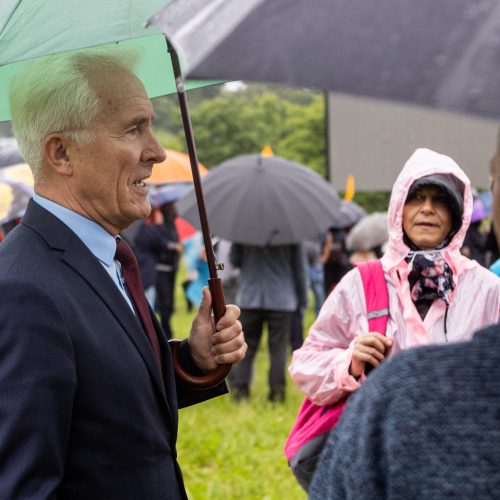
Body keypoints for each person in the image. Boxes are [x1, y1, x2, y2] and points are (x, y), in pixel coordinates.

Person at [0, 48, 246, 499]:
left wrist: (192, 361)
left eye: (150, 125)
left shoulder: (103, 254)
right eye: (134, 129)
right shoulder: (22, 293)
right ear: (61, 153)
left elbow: (101, 403)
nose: (155, 151)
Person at [289, 148, 499, 489]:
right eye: (417, 198)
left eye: (440, 199)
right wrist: (350, 362)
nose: (427, 208)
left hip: (461, 464)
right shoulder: (362, 283)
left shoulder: (488, 289)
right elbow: (306, 363)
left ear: (456, 214)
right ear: (400, 208)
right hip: (380, 462)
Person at [229, 243, 308, 402]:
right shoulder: (291, 234)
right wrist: (303, 299)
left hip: (249, 297)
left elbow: (234, 260)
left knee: (246, 348)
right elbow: (300, 269)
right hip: (282, 299)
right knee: (278, 348)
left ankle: (240, 392)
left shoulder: (244, 233)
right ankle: (277, 394)